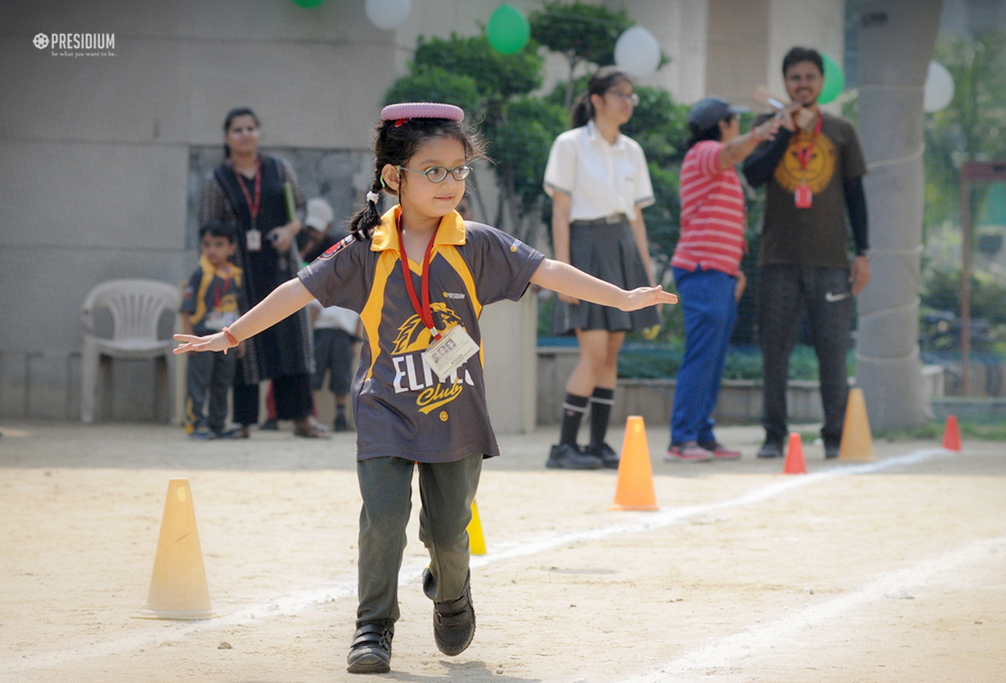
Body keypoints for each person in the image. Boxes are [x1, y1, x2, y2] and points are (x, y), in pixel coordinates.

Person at [172, 102, 676, 675]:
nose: (449, 182)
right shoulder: (365, 249)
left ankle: (452, 593)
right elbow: (297, 289)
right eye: (432, 170)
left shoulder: (478, 244)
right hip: (386, 409)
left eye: (458, 170)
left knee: (449, 534)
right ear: (394, 177)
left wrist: (624, 296)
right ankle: (373, 626)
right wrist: (231, 334)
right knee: (383, 519)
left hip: (457, 416)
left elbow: (549, 271)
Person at [741, 47, 871, 459]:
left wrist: (863, 251)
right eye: (795, 78)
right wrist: (783, 130)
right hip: (777, 259)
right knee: (774, 352)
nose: (802, 84)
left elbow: (855, 195)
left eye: (810, 77)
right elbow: (754, 176)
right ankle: (773, 436)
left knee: (833, 352)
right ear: (785, 83)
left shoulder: (841, 130)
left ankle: (835, 437)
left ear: (821, 82)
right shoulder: (766, 123)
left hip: (831, 261)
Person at [542, 65, 660, 470]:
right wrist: (561, 271)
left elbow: (636, 220)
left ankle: (597, 445)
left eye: (632, 96)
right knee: (592, 354)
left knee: (611, 354)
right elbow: (560, 212)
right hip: (585, 247)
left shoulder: (633, 151)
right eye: (621, 95)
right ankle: (563, 447)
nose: (628, 102)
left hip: (623, 248)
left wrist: (645, 277)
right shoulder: (570, 144)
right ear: (597, 100)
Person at [667, 98, 786, 462]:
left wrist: (734, 271)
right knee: (702, 355)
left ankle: (701, 433)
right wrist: (761, 133)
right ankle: (682, 438)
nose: (738, 123)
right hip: (703, 270)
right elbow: (731, 152)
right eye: (735, 119)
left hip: (718, 273)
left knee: (713, 358)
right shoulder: (705, 152)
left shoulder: (716, 160)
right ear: (723, 124)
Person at [200, 107, 327, 439]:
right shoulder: (217, 180)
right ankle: (242, 422)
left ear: (259, 133)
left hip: (282, 268)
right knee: (243, 339)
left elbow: (300, 207)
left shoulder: (279, 168)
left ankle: (302, 419)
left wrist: (291, 229)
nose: (245, 134)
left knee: (294, 343)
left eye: (251, 128)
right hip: (239, 276)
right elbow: (208, 226)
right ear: (227, 138)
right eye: (238, 130)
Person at [180, 220, 243, 440]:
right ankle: (195, 423)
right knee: (198, 382)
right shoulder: (200, 274)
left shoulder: (235, 275)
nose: (212, 250)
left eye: (219, 244)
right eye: (207, 245)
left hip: (227, 339)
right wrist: (191, 340)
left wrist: (241, 340)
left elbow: (240, 311)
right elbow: (186, 310)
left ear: (231, 248)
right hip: (202, 339)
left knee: (222, 382)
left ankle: (218, 424)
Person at [302, 197, 360, 432]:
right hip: (322, 333)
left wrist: (357, 339)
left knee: (341, 377)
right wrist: (309, 334)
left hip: (343, 335)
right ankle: (311, 414)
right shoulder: (324, 279)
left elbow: (361, 313)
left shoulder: (357, 283)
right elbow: (314, 309)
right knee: (315, 376)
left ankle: (339, 415)